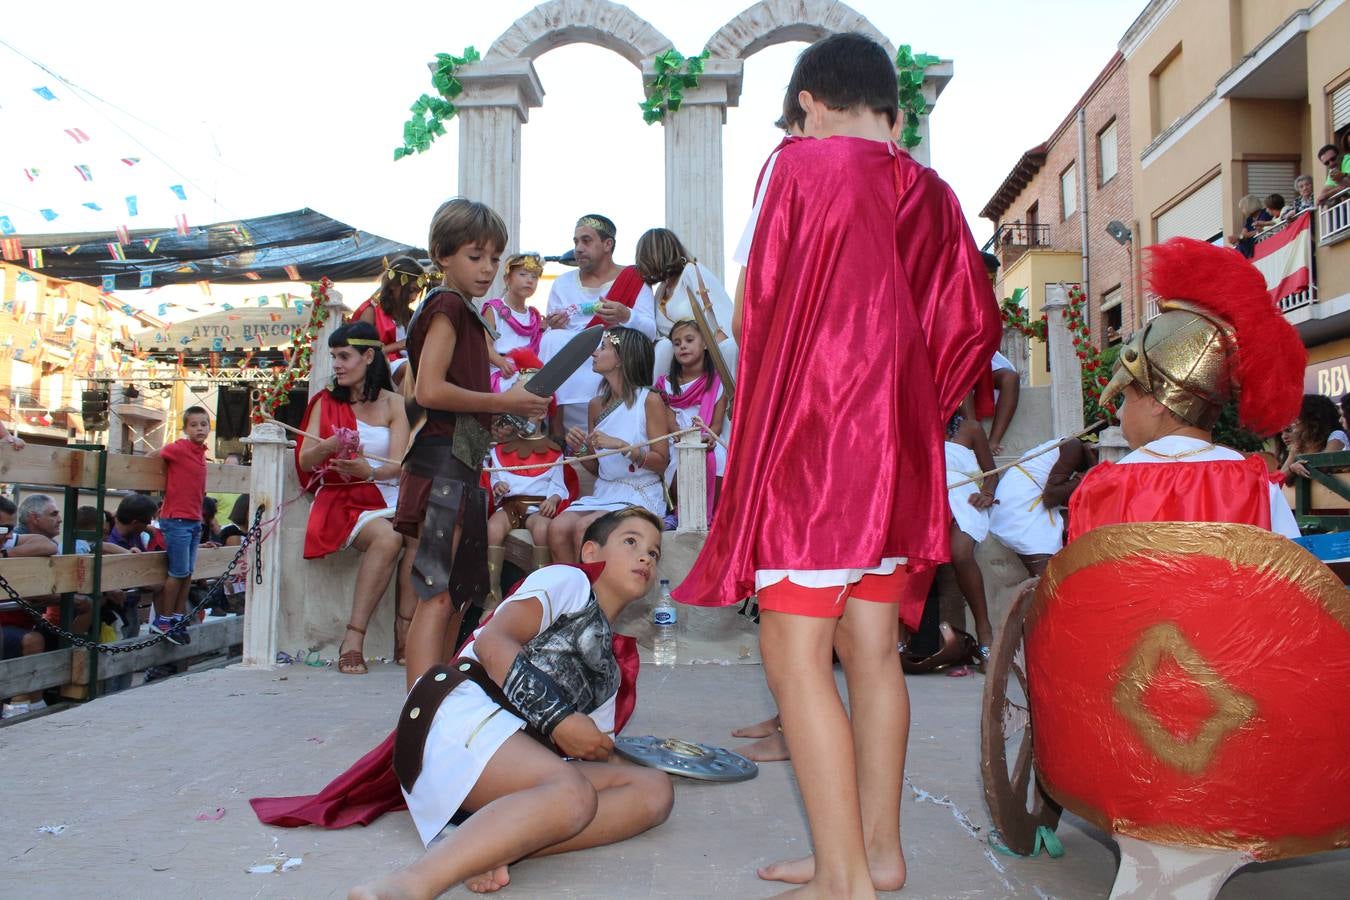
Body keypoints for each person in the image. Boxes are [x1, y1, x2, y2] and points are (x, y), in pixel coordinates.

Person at [675, 34, 1001, 896]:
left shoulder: (800, 166)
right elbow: (972, 320)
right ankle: (877, 856)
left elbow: (757, 308)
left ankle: (843, 877)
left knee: (792, 650)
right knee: (873, 651)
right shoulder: (931, 191)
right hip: (896, 447)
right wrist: (916, 404)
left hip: (818, 441)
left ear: (811, 102)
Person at [396, 198, 551, 692]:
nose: (486, 269)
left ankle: (435, 700)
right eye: (474, 256)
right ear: (442, 255)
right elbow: (429, 391)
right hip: (442, 467)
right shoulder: (446, 306)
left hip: (458, 462)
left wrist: (497, 416)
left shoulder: (463, 309)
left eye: (493, 258)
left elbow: (452, 400)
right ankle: (421, 713)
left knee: (456, 594)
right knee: (436, 593)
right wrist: (504, 397)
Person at [1074, 237, 1303, 540]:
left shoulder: (1103, 487)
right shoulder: (1257, 484)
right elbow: (1291, 574)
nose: (1117, 412)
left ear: (1158, 400)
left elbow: (1086, 580)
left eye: (1127, 397)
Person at [297, 321, 416, 674]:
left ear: (368, 356)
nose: (336, 364)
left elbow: (397, 464)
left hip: (386, 490)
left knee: (420, 532)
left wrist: (371, 472)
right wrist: (329, 447)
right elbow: (305, 460)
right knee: (390, 536)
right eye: (334, 356)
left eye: (344, 356)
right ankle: (354, 637)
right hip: (343, 498)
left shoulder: (395, 403)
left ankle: (405, 633)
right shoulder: (325, 401)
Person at [547, 328, 669, 564]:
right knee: (558, 528)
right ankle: (573, 596)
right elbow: (598, 468)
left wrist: (624, 446)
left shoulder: (649, 400)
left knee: (586, 528)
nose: (594, 353)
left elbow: (661, 462)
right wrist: (580, 449)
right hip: (604, 493)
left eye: (603, 348)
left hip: (638, 493)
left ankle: (595, 598)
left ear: (622, 360)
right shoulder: (595, 405)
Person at [539, 215, 657, 436]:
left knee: (608, 348)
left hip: (614, 352)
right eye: (576, 242)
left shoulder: (633, 278)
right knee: (551, 339)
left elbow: (650, 332)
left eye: (586, 241)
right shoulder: (561, 283)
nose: (578, 248)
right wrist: (554, 326)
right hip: (572, 355)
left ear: (607, 244)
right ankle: (554, 426)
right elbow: (551, 332)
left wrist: (626, 315)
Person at [485, 405, 572, 604]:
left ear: (542, 414)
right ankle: (492, 596)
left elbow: (559, 485)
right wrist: (497, 485)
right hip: (509, 506)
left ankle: (538, 593)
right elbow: (493, 477)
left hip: (538, 508)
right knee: (493, 528)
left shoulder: (554, 452)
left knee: (543, 529)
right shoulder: (499, 451)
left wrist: (553, 499)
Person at [145, 407, 211, 646]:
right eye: (193, 425)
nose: (199, 429)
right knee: (178, 572)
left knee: (187, 573)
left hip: (193, 519)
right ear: (185, 428)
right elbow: (154, 455)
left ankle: (176, 617)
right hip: (177, 519)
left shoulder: (201, 453)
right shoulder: (180, 448)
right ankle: (162, 620)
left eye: (203, 424)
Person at [635, 227, 737, 380]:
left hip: (711, 355)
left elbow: (723, 317)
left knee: (729, 348)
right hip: (681, 363)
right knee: (663, 348)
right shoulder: (660, 292)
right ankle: (656, 400)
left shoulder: (691, 271)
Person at [654, 320, 728, 523]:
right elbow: (667, 419)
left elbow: (717, 424)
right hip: (677, 440)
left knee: (720, 457)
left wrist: (708, 437)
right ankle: (685, 514)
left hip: (706, 438)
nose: (682, 346)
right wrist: (684, 437)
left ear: (705, 343)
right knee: (684, 459)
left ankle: (715, 515)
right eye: (677, 344)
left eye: (689, 340)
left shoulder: (716, 382)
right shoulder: (664, 384)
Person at [988, 438, 1095, 577]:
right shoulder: (1073, 446)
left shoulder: (1068, 451)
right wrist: (1086, 476)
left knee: (1084, 521)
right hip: (1020, 505)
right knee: (1046, 580)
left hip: (1026, 501)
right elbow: (1051, 497)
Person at [943, 413, 998, 656]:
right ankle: (900, 642)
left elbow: (991, 474)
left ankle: (984, 632)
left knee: (960, 554)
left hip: (965, 500)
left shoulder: (971, 428)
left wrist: (986, 493)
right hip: (927, 501)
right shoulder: (913, 422)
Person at [352, 255, 429, 384]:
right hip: (379, 369)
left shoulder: (410, 315)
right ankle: (396, 404)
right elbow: (360, 353)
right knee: (414, 370)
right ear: (393, 285)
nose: (414, 297)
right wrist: (398, 346)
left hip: (407, 366)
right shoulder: (371, 310)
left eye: (418, 292)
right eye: (411, 290)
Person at [482, 252, 546, 392]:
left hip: (528, 372)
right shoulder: (493, 308)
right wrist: (501, 362)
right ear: (507, 279)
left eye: (534, 277)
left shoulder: (534, 316)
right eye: (523, 274)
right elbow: (484, 344)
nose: (530, 280)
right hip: (501, 372)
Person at [1279, 394, 1345, 480]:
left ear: (1312, 419)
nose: (1295, 421)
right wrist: (1291, 469)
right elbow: (1279, 478)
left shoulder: (1336, 435)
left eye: (1298, 415)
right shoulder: (1298, 443)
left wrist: (1299, 466)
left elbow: (1324, 467)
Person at [1226, 194, 1270, 258]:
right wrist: (1237, 238)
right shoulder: (1250, 219)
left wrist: (1239, 236)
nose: (1242, 211)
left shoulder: (1265, 213)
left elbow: (1260, 231)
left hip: (1261, 245)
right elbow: (1243, 234)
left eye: (1242, 208)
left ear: (1248, 207)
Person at [1317, 138, 1350, 204]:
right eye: (1327, 163)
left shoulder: (1348, 160)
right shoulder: (1333, 171)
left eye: (1333, 159)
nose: (1331, 163)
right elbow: (1323, 193)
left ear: (1340, 155)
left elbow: (1347, 184)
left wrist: (1328, 194)